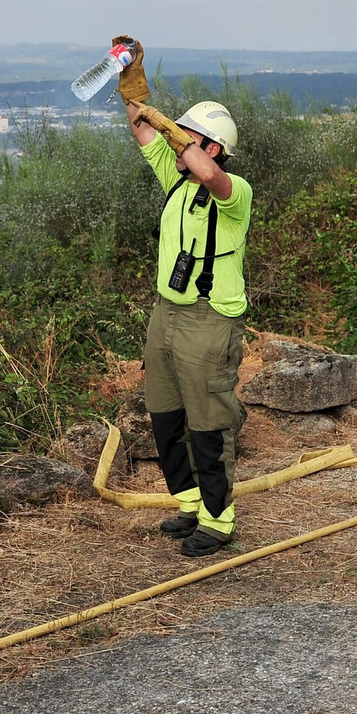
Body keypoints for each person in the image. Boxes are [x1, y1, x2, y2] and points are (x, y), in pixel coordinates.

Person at [111, 35, 252, 559]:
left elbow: (213, 176)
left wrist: (178, 133)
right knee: (166, 413)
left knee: (209, 419)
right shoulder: (175, 180)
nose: (176, 144)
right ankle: (189, 502)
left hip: (209, 319)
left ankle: (219, 520)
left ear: (210, 146)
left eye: (188, 137)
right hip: (166, 313)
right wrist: (134, 79)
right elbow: (142, 127)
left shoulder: (234, 191)